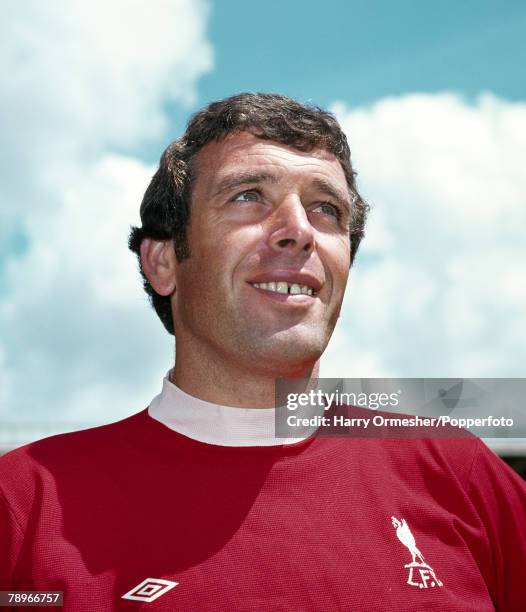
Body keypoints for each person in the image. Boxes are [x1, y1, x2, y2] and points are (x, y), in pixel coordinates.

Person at [0, 93, 525, 611]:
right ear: (162, 263)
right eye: (247, 196)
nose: (299, 232)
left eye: (326, 209)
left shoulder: (460, 473)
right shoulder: (23, 506)